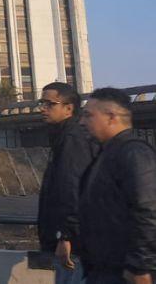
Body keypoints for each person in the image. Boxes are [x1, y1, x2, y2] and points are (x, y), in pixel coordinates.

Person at [79, 87, 156, 284]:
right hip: (104, 269)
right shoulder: (107, 154)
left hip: (124, 273)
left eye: (88, 115)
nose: (82, 122)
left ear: (111, 117)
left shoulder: (134, 153)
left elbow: (149, 211)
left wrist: (140, 266)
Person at [36, 82, 97, 283]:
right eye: (41, 103)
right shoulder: (63, 136)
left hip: (74, 245)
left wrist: (66, 236)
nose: (42, 108)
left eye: (49, 104)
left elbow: (73, 188)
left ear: (68, 108)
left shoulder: (72, 138)